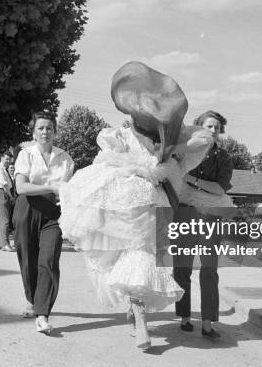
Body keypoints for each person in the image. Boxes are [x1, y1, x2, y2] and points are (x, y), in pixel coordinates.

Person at [59, 61, 213, 350]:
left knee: (141, 260)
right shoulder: (120, 136)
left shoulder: (169, 138)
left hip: (157, 212)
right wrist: (139, 168)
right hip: (126, 214)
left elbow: (205, 138)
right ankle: (141, 321)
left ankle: (136, 309)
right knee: (135, 260)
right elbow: (103, 165)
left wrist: (172, 150)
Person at [173, 110, 234, 339]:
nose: (214, 130)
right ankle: (185, 316)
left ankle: (207, 322)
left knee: (209, 268)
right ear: (198, 127)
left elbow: (219, 189)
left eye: (217, 127)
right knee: (182, 266)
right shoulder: (183, 152)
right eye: (209, 126)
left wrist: (190, 179)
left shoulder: (223, 157)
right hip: (184, 212)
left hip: (210, 214)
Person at [12, 111, 74, 335]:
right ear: (34, 132)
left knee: (48, 260)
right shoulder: (25, 155)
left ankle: (42, 314)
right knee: (27, 258)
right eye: (41, 128)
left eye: (49, 128)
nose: (45, 132)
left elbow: (67, 191)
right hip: (27, 209)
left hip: (53, 214)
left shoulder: (65, 158)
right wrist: (52, 187)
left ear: (55, 131)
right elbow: (21, 187)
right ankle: (32, 298)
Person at [0, 152, 15, 251]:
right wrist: (11, 197)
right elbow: (5, 184)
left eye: (10, 159)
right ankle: (5, 244)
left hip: (1, 194)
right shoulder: (0, 169)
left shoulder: (3, 169)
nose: (8, 161)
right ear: (1, 158)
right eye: (6, 159)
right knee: (4, 220)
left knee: (0, 221)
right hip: (2, 193)